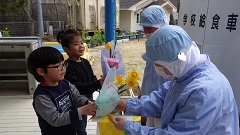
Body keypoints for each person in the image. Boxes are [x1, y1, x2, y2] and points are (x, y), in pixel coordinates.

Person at [109, 25, 239, 134]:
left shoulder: (204, 91)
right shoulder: (186, 75)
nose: (158, 70)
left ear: (176, 62)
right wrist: (125, 104)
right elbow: (160, 99)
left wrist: (129, 127)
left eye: (159, 66)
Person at [27, 47, 97, 135]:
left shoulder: (65, 83)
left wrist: (88, 103)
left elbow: (77, 98)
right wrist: (82, 111)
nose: (63, 68)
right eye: (58, 66)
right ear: (41, 71)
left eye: (63, 64)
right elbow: (55, 119)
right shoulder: (42, 96)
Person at [57, 29, 104, 135]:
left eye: (81, 43)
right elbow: (76, 87)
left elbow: (91, 78)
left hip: (86, 100)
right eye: (76, 44)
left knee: (83, 125)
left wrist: (100, 83)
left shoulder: (85, 62)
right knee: (80, 129)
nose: (81, 46)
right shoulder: (68, 67)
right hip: (75, 104)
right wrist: (96, 84)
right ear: (66, 49)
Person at [139, 5, 169, 127]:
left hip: (162, 106)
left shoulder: (170, 46)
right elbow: (150, 73)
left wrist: (163, 103)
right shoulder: (152, 44)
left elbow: (172, 80)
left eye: (149, 28)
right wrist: (144, 91)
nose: (146, 32)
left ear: (161, 25)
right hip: (151, 102)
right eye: (144, 27)